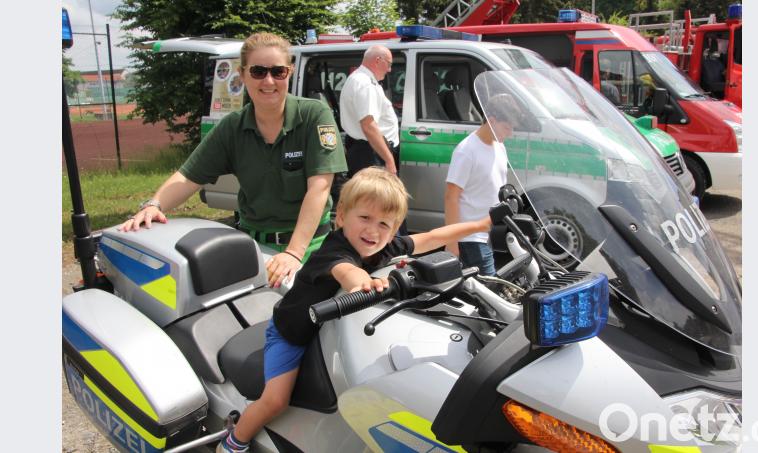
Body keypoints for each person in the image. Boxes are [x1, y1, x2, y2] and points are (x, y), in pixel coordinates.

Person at [217, 167, 492, 452]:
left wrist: (481, 225)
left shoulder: (383, 246)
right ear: (342, 216)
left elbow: (433, 237)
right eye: (365, 218)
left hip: (326, 329)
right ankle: (235, 441)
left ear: (395, 229)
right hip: (292, 332)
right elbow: (346, 272)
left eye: (385, 224)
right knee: (275, 400)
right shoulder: (335, 249)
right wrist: (366, 283)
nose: (373, 231)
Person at [120, 32, 347, 288]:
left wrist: (294, 252)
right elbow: (188, 176)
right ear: (242, 74)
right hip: (252, 245)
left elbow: (320, 187)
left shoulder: (314, 114)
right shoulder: (232, 127)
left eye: (278, 72)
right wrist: (154, 205)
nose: (269, 81)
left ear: (290, 72)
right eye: (258, 71)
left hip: (309, 247)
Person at [444, 93, 521, 276]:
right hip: (470, 236)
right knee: (489, 288)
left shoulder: (499, 147)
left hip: (488, 232)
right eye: (506, 128)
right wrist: (452, 241)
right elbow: (451, 197)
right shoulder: (467, 151)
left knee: (478, 290)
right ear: (491, 120)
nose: (509, 133)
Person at [338, 45, 399, 177]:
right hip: (370, 152)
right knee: (374, 196)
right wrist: (389, 160)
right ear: (378, 60)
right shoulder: (365, 83)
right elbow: (368, 125)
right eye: (388, 64)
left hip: (369, 150)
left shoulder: (362, 79)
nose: (389, 69)